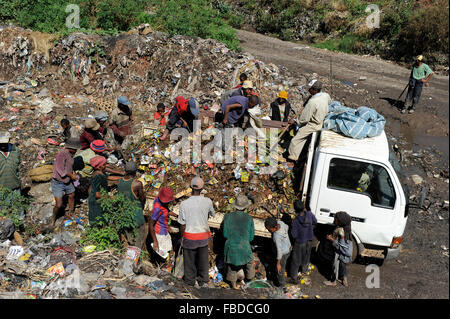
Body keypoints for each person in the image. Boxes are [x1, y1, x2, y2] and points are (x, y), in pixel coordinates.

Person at [178, 176, 215, 288]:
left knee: (189, 262)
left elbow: (182, 223)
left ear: (191, 187)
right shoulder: (208, 202)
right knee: (203, 261)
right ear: (202, 188)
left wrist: (182, 238)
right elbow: (212, 214)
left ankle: (190, 282)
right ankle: (203, 281)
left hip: (189, 237)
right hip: (203, 237)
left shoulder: (184, 204)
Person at [287, 80, 331, 167]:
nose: (308, 90)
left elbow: (304, 118)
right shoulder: (326, 95)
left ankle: (292, 159)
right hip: (323, 120)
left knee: (296, 140)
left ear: (315, 90)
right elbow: (329, 102)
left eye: (310, 89)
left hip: (314, 124)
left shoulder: (312, 102)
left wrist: (295, 121)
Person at [223, 195, 255, 290]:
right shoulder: (249, 218)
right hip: (245, 247)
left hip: (231, 248)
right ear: (245, 207)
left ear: (235, 206)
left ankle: (233, 284)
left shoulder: (227, 216)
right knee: (250, 263)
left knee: (232, 266)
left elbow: (225, 234)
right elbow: (251, 237)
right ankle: (249, 280)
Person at [51, 137, 80, 227]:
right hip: (58, 182)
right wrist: (71, 175)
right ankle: (53, 219)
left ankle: (71, 212)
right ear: (71, 148)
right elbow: (60, 170)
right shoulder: (61, 155)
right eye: (75, 149)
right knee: (59, 204)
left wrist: (73, 173)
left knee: (71, 195)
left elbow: (69, 166)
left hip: (67, 181)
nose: (75, 151)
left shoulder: (70, 154)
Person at [117, 161, 146, 249]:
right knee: (139, 240)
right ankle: (136, 259)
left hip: (125, 215)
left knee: (130, 240)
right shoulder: (137, 183)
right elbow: (142, 198)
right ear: (135, 171)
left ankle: (129, 256)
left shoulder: (120, 181)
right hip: (136, 216)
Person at [289, 200, 317, 282]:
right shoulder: (310, 214)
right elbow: (315, 222)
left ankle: (294, 276)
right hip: (309, 239)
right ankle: (304, 271)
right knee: (306, 256)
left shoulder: (296, 220)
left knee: (296, 259)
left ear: (295, 209)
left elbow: (294, 234)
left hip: (300, 241)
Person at [323, 211, 353, 287]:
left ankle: (333, 281)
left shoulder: (341, 232)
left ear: (341, 221)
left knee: (335, 266)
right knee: (343, 266)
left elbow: (341, 246)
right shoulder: (347, 229)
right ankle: (344, 279)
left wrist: (332, 239)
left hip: (339, 252)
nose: (334, 220)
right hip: (343, 255)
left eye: (336, 219)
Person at [149, 187, 177, 258]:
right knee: (164, 254)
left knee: (169, 249)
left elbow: (165, 210)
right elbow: (151, 224)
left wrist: (175, 215)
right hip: (160, 233)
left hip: (164, 230)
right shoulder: (157, 209)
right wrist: (155, 241)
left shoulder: (159, 200)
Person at [264, 217, 291, 289]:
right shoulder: (281, 223)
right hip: (288, 248)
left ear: (274, 227)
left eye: (268, 229)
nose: (268, 230)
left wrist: (278, 263)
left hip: (283, 253)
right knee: (283, 265)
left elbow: (279, 251)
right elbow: (287, 227)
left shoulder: (276, 236)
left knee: (279, 270)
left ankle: (282, 286)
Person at [87, 156, 108, 225]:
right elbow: (97, 194)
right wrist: (108, 198)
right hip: (96, 200)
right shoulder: (98, 176)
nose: (106, 166)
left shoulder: (98, 173)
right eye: (104, 165)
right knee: (97, 217)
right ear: (99, 167)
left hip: (93, 197)